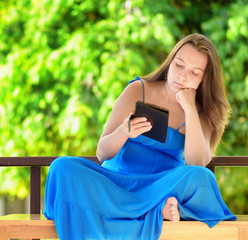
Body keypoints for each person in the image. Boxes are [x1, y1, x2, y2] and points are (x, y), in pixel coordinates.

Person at [44, 33, 237, 240]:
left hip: (159, 188)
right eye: (178, 65)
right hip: (117, 185)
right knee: (61, 167)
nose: (182, 76)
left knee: (203, 178)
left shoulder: (203, 112)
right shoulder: (138, 89)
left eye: (194, 73)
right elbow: (102, 153)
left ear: (204, 79)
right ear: (170, 62)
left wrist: (189, 107)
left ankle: (154, 208)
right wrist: (123, 132)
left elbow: (196, 163)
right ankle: (154, 212)